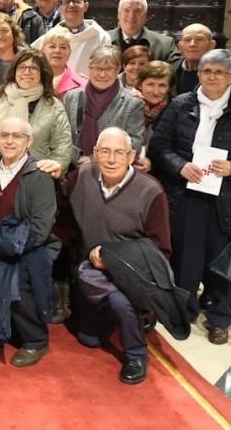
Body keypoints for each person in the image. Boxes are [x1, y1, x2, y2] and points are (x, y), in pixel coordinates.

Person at [148, 49, 231, 345]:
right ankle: (186, 310)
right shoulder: (180, 105)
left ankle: (220, 317)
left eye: (219, 72)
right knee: (186, 257)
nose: (212, 77)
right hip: (187, 194)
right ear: (198, 74)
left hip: (227, 199)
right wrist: (180, 166)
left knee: (222, 259)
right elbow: (159, 145)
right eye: (207, 71)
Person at [62, 127, 171, 385]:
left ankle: (136, 353)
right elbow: (59, 206)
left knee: (121, 302)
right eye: (105, 152)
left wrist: (117, 261)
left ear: (131, 156)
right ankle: (117, 316)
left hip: (134, 270)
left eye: (119, 153)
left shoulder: (150, 190)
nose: (111, 160)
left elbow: (161, 248)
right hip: (91, 267)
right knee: (88, 339)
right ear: (95, 153)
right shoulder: (82, 177)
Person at [0, 118, 58, 367]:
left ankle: (36, 340)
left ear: (29, 141)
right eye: (4, 135)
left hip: (29, 248)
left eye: (17, 136)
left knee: (16, 280)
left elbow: (40, 228)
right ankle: (0, 327)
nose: (9, 141)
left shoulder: (39, 175)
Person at [0, 49, 73, 178]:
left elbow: (62, 145)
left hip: (35, 175)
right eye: (22, 67)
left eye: (33, 68)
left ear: (42, 73)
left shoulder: (54, 106)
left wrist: (55, 167)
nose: (26, 72)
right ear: (14, 71)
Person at [64, 46, 145, 165]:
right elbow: (61, 136)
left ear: (118, 70)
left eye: (109, 69)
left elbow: (135, 143)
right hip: (72, 168)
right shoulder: (71, 97)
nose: (102, 75)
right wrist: (76, 158)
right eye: (97, 68)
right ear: (89, 69)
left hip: (111, 169)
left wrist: (94, 159)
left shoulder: (132, 103)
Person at [31, 0, 111, 72]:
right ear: (61, 8)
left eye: (76, 1)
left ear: (85, 6)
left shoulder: (101, 37)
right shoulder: (50, 37)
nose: (71, 5)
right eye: (66, 2)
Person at [106, 0, 179, 64]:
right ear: (118, 14)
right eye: (126, 10)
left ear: (145, 14)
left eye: (137, 11)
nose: (131, 16)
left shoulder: (165, 45)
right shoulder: (102, 40)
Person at [137, 60, 174, 150]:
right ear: (140, 85)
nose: (156, 91)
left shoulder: (175, 111)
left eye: (162, 85)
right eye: (150, 84)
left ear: (169, 88)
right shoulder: (127, 104)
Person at [40, 27, 88, 95]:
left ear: (69, 53)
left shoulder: (82, 85)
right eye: (52, 46)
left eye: (63, 47)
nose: (57, 51)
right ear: (42, 51)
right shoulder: (29, 78)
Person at [173, 23, 216, 95]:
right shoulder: (171, 71)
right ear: (180, 47)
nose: (192, 44)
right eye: (187, 40)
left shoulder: (227, 74)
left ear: (212, 45)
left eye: (199, 39)